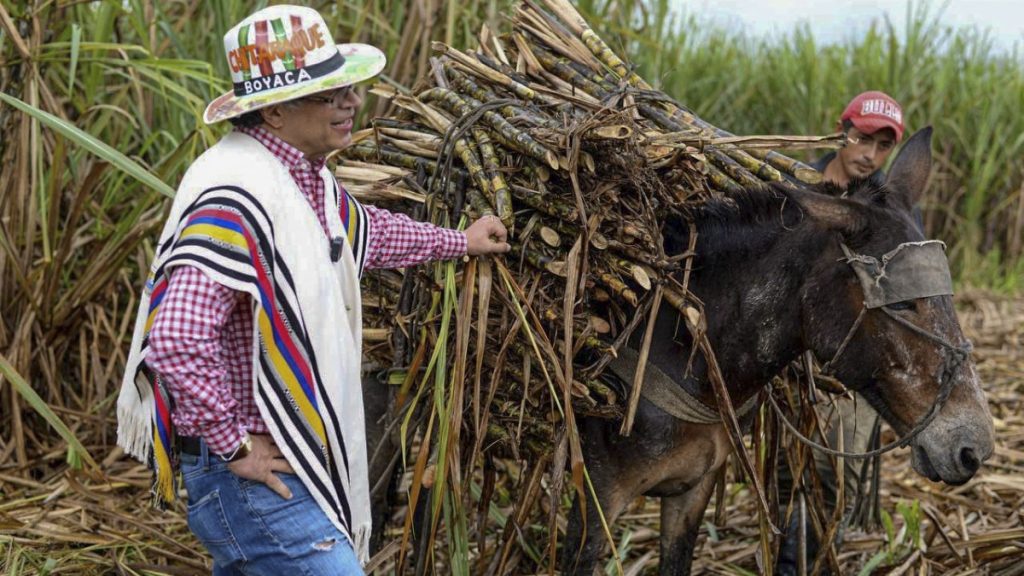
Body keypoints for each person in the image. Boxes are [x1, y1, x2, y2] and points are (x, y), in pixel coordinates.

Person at [115, 5, 510, 574]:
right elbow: (175, 338)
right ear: (274, 110)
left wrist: (460, 241)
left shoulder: (301, 180)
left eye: (348, 88)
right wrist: (235, 446)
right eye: (330, 95)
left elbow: (366, 235)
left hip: (270, 466)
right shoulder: (236, 194)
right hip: (252, 475)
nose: (351, 103)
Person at [775, 90, 905, 575]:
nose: (870, 154)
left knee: (836, 475)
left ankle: (813, 565)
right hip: (790, 360)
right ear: (842, 130)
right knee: (787, 474)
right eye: (863, 138)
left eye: (883, 146)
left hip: (851, 362)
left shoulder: (888, 210)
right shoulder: (796, 187)